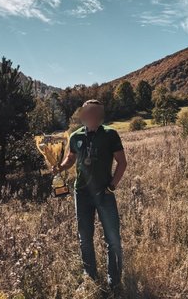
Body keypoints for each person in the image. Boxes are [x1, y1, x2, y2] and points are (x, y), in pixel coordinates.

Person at [53, 99, 127, 292]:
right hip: (82, 194)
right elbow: (70, 158)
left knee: (113, 239)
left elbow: (122, 163)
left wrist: (111, 187)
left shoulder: (111, 134)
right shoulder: (75, 136)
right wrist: (59, 166)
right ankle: (90, 277)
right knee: (85, 237)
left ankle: (114, 281)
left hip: (104, 193)